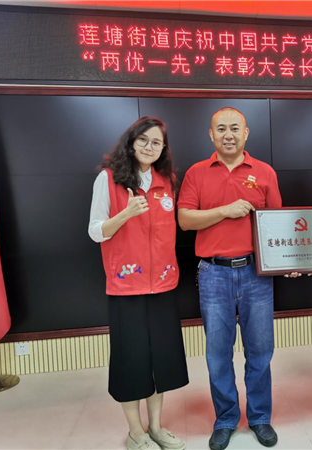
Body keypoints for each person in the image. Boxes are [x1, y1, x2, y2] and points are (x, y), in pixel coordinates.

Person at [177, 107, 281, 450]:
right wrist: (225, 210)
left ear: (246, 133)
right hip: (213, 273)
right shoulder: (196, 173)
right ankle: (225, 419)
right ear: (211, 135)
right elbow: (185, 220)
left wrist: (291, 260)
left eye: (235, 128)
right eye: (221, 129)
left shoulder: (264, 172)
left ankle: (260, 417)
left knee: (260, 350)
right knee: (217, 353)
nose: (228, 135)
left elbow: (277, 224)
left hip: (256, 273)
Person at [88, 117, 189, 450]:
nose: (149, 147)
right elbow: (95, 231)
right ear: (131, 143)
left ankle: (156, 427)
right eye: (143, 140)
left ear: (163, 149)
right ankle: (136, 432)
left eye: (156, 142)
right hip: (126, 287)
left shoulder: (166, 181)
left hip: (163, 285)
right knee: (131, 361)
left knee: (161, 360)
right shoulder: (108, 179)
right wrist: (126, 214)